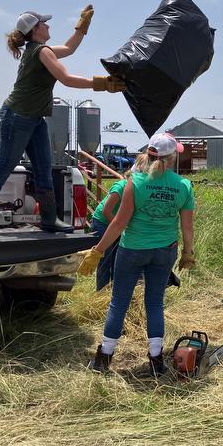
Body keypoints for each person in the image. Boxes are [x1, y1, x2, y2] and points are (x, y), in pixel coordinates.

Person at [0, 6, 126, 235]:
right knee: (5, 166)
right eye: (44, 23)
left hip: (34, 118)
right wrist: (102, 84)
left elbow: (70, 48)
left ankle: (49, 219)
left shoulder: (42, 50)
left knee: (44, 168)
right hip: (17, 116)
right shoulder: (41, 52)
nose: (48, 25)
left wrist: (82, 26)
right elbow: (66, 79)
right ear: (35, 30)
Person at [79, 133, 196, 376]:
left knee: (119, 302)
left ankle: (105, 358)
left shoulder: (136, 182)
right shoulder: (183, 186)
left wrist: (97, 251)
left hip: (133, 249)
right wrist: (188, 253)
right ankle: (156, 361)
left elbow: (120, 223)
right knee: (154, 303)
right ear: (172, 157)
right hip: (165, 251)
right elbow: (187, 227)